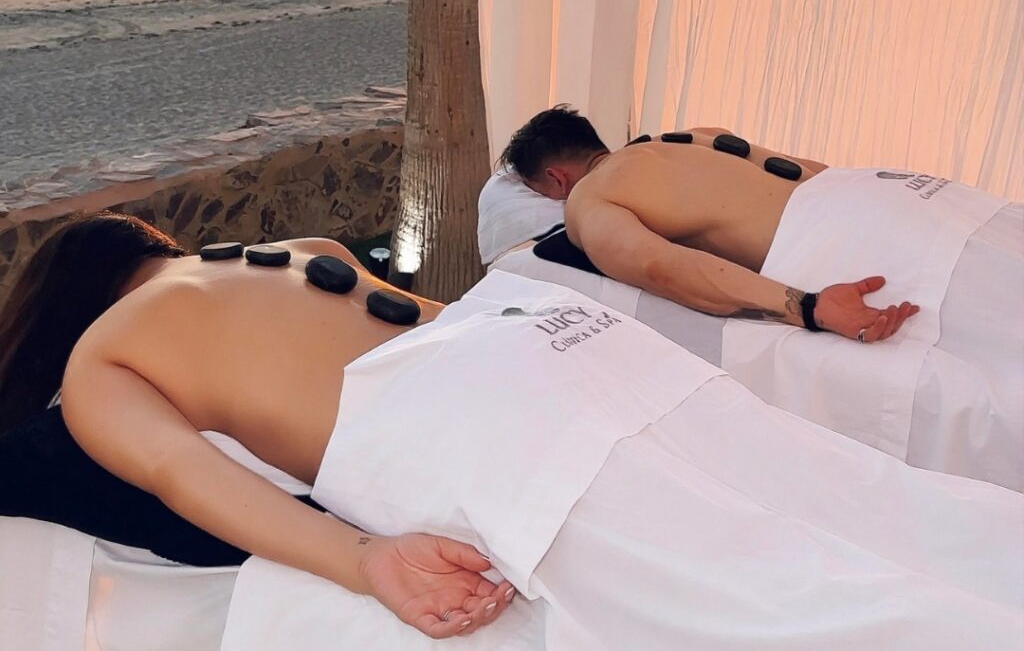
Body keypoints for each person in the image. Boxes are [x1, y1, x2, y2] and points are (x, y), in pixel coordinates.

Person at [1, 214, 1020, 647]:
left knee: (776, 616)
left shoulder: (101, 359)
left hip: (481, 410)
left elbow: (184, 473)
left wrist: (364, 559)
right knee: (855, 510)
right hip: (569, 343)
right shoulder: (297, 250)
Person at [501, 107, 928, 342]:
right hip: (892, 200)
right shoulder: (690, 137)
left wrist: (809, 307)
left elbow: (659, 267)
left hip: (851, 254)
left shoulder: (588, 198)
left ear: (557, 178)